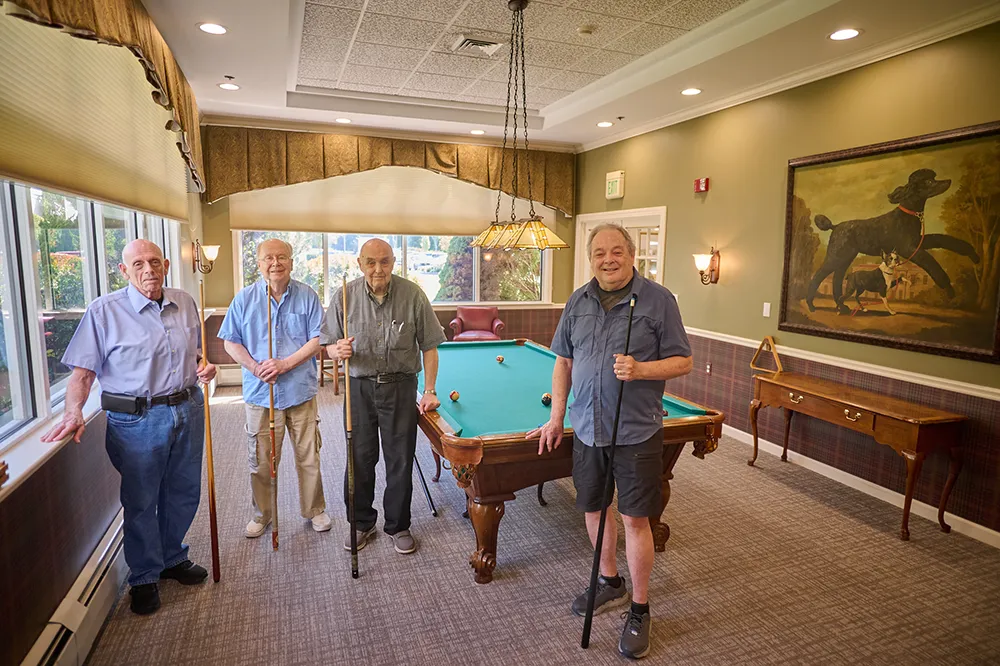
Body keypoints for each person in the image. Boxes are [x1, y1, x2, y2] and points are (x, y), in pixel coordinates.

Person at [530, 224, 693, 660]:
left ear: (631, 254)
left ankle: (640, 608)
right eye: (599, 252)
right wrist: (556, 417)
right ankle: (609, 581)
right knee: (593, 508)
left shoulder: (659, 300)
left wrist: (642, 370)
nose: (608, 259)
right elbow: (563, 362)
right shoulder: (577, 301)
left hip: (636, 430)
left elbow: (683, 361)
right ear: (591, 258)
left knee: (636, 519)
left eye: (616, 251)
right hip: (587, 427)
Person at [41, 239, 217, 615]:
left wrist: (204, 366)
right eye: (138, 264)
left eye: (154, 262)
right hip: (137, 420)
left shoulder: (185, 301)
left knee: (184, 491)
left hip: (187, 408)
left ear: (165, 264)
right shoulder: (104, 311)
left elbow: (192, 354)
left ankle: (172, 557)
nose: (148, 269)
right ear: (123, 270)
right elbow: (82, 374)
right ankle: (144, 576)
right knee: (141, 499)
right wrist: (72, 411)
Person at [323, 238, 445, 555]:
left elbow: (430, 346)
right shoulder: (344, 295)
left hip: (401, 386)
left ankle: (398, 525)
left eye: (385, 261)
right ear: (360, 263)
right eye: (371, 262)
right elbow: (328, 344)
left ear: (393, 262)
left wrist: (430, 390)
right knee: (359, 459)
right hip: (359, 388)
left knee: (400, 459)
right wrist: (337, 349)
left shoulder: (413, 295)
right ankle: (361, 523)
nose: (378, 269)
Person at [218, 238, 331, 538]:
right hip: (260, 395)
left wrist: (285, 364)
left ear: (291, 262)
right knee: (261, 461)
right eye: (268, 258)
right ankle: (263, 514)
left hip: (300, 392)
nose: (275, 263)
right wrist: (256, 368)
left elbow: (319, 339)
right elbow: (230, 341)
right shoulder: (244, 299)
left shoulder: (307, 296)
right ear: (259, 264)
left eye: (282, 257)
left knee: (309, 456)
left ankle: (315, 509)